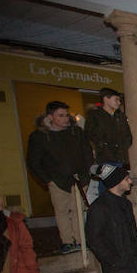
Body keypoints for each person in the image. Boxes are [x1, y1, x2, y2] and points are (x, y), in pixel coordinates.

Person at [25, 101, 92, 254]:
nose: (65, 119)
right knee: (61, 211)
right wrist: (48, 180)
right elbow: (33, 162)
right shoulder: (40, 136)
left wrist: (86, 173)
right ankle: (67, 241)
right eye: (60, 116)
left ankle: (81, 240)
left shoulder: (76, 132)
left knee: (78, 210)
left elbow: (87, 152)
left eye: (66, 115)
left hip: (79, 177)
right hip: (56, 179)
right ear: (50, 117)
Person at [86, 87, 132, 166]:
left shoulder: (120, 116)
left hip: (120, 157)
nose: (119, 102)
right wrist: (103, 147)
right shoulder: (95, 115)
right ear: (106, 99)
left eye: (119, 100)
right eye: (116, 99)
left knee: (120, 177)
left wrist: (124, 146)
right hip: (105, 157)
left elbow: (127, 135)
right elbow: (90, 134)